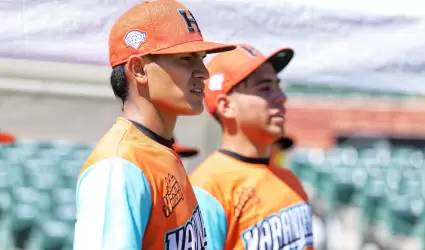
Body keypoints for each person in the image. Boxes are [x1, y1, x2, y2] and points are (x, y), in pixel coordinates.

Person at [73, 1, 235, 249]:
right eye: (186, 58)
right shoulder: (118, 166)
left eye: (201, 58)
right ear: (138, 69)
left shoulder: (160, 152)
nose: (203, 72)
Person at [190, 44, 314, 250]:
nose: (281, 97)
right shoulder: (206, 188)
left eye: (277, 85)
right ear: (227, 106)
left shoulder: (290, 180)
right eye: (265, 88)